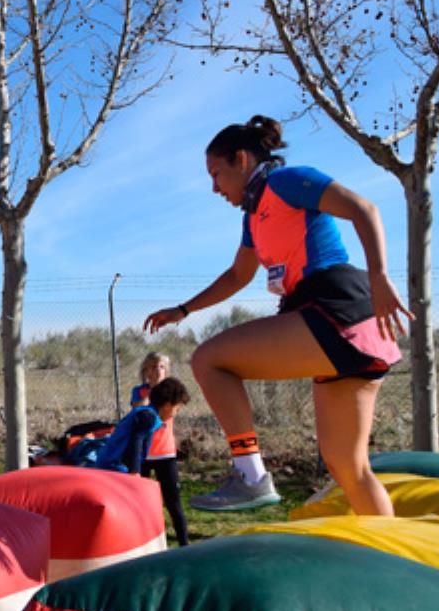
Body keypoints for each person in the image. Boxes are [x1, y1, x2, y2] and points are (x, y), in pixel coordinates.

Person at [144, 115, 411, 515]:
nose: (214, 187)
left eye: (216, 174)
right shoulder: (252, 216)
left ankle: (250, 475)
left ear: (241, 159)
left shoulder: (285, 181)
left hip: (336, 308)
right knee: (348, 467)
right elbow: (238, 275)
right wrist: (184, 310)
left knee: (209, 360)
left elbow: (363, 208)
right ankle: (390, 549)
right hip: (353, 330)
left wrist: (380, 277)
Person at [94, 378, 192, 546]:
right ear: (167, 405)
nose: (175, 413)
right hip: (113, 466)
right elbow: (136, 440)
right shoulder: (147, 416)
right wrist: (135, 471)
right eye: (177, 408)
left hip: (117, 465)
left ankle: (133, 542)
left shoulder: (149, 415)